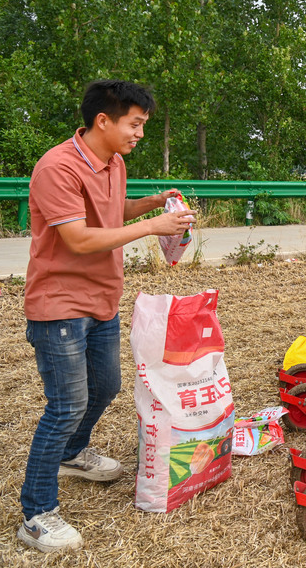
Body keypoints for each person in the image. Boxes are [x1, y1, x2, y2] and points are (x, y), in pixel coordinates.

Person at [19, 80, 195, 553]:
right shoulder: (57, 167)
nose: (140, 134)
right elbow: (78, 238)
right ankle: (36, 515)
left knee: (106, 386)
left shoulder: (114, 162)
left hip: (102, 300)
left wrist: (153, 204)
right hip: (59, 304)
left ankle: (73, 454)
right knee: (65, 406)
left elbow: (112, 215)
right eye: (135, 124)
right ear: (103, 120)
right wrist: (152, 226)